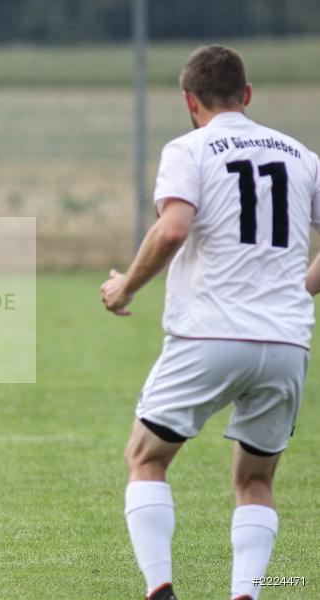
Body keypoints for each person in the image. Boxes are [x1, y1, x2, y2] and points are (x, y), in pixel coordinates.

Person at [101, 45, 320, 600]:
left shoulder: (189, 148)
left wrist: (125, 285)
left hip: (210, 336)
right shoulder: (302, 156)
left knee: (145, 459)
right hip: (287, 342)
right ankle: (245, 594)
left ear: (189, 101)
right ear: (246, 95)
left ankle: (161, 590)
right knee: (255, 481)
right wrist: (299, 290)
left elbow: (174, 228)